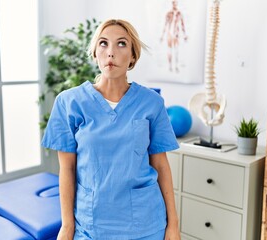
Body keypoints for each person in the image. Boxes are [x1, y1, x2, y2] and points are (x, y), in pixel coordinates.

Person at [42, 19, 180, 240]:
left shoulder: (152, 103)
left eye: (122, 44)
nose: (111, 52)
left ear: (133, 56)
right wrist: (67, 226)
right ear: (95, 53)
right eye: (103, 43)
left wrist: (173, 226)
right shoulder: (69, 102)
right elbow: (66, 169)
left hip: (146, 224)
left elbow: (161, 165)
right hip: (91, 225)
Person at [160, 0, 188, 73]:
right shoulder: (169, 13)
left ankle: (176, 66)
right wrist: (162, 36)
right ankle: (170, 66)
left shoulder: (179, 14)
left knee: (176, 50)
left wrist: (184, 35)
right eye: (173, 3)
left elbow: (182, 25)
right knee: (169, 50)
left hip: (176, 34)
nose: (174, 5)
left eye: (175, 3)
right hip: (169, 34)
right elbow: (165, 25)